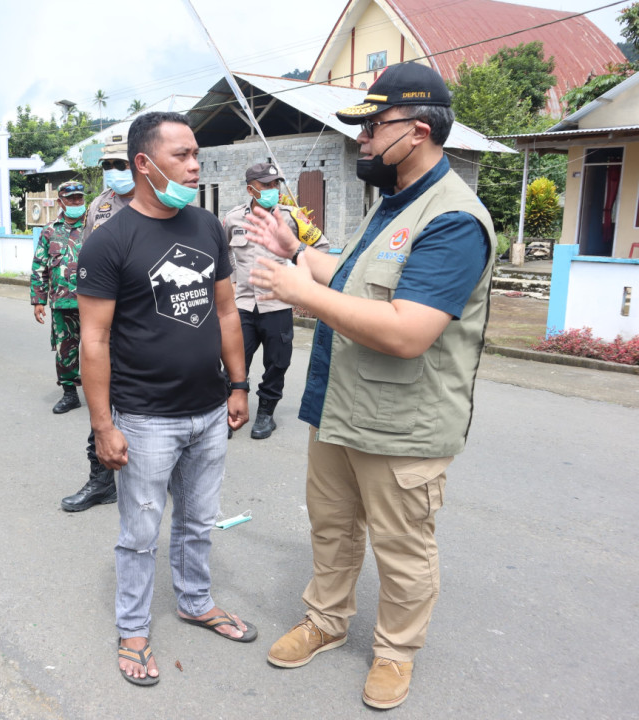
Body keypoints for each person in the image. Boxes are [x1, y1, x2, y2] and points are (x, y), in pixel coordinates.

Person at [243, 63, 495, 710]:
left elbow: (409, 330)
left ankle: (395, 653)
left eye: (369, 127)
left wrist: (301, 295)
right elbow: (352, 276)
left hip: (403, 425)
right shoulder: (392, 204)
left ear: (415, 131)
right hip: (340, 408)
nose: (359, 138)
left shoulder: (453, 221)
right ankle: (326, 623)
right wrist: (298, 254)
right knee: (331, 528)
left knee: (402, 549)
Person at [76, 111, 255, 687]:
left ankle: (195, 602)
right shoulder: (108, 242)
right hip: (145, 418)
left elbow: (227, 311)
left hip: (208, 412)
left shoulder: (206, 227)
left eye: (196, 153)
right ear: (144, 164)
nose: (195, 164)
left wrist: (238, 383)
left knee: (199, 521)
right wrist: (104, 425)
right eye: (182, 155)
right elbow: (94, 339)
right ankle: (132, 628)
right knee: (139, 531)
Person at [222, 162, 329, 440]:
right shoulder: (233, 219)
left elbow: (321, 247)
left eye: (275, 184)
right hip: (243, 304)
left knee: (277, 362)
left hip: (278, 305)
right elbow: (224, 254)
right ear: (251, 189)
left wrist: (298, 272)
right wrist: (232, 282)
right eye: (266, 185)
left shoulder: (292, 217)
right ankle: (230, 410)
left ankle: (266, 413)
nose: (273, 190)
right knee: (235, 361)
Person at [60, 141, 135, 512]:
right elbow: (89, 258)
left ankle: (163, 470)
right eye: (107, 164)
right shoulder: (99, 206)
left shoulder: (162, 200)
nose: (113, 170)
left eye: (119, 163)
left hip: (148, 321)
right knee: (100, 403)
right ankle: (102, 481)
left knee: (155, 402)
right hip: (109, 321)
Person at [30, 180, 87, 414]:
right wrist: (38, 300)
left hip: (94, 302)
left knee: (105, 349)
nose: (76, 202)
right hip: (62, 303)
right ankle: (70, 394)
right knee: (65, 350)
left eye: (79, 198)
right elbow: (39, 267)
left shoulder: (94, 226)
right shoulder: (50, 231)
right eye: (71, 198)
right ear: (60, 201)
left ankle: (111, 395)